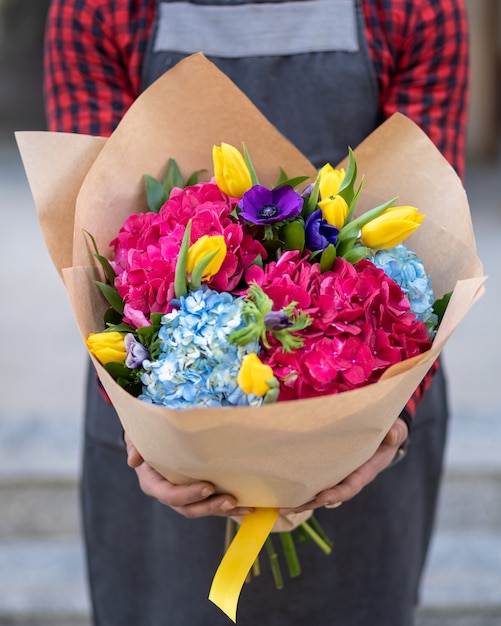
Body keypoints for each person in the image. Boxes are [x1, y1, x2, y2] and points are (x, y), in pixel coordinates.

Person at [44, 1, 469, 625]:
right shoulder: (97, 8)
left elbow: (432, 237)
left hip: (370, 412)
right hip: (162, 432)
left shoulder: (419, 9)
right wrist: (152, 430)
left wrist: (386, 423)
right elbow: (101, 247)